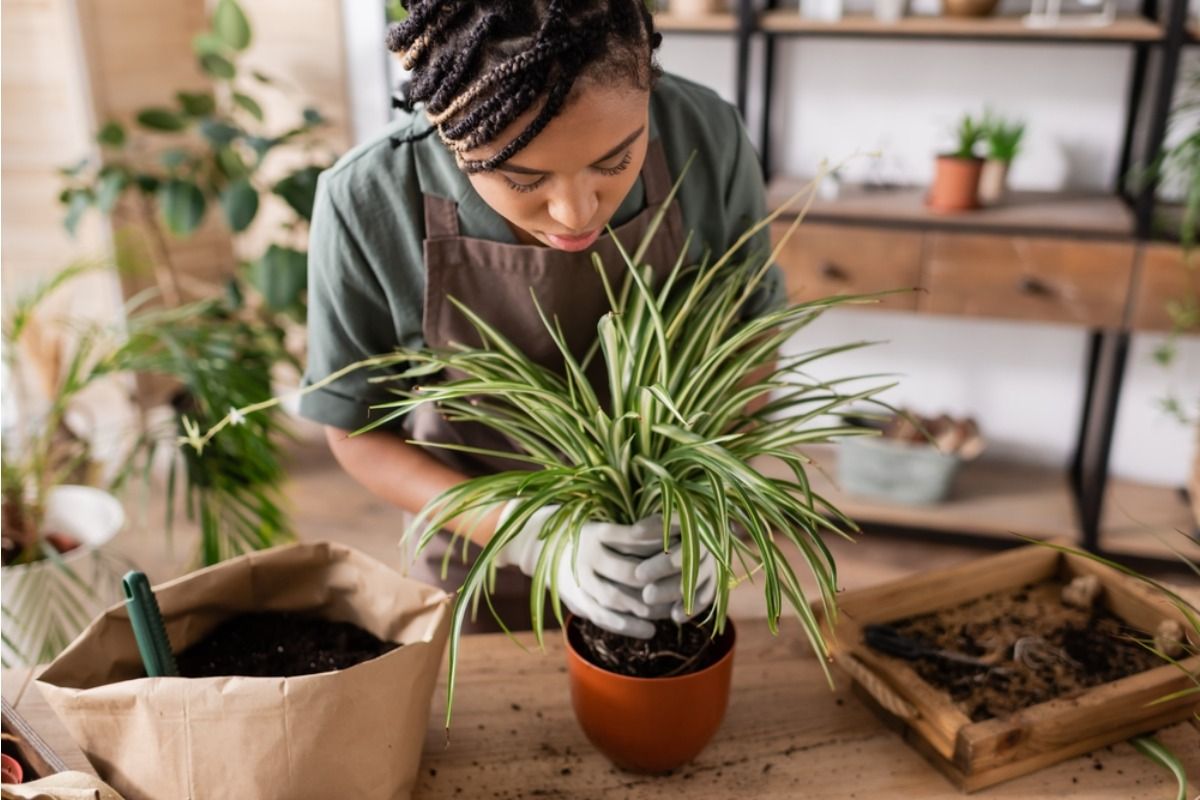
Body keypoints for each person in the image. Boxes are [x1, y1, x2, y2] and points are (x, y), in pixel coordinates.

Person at [299, 0, 785, 638]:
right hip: (482, 557)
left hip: (665, 546)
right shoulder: (368, 198)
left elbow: (753, 336)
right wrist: (532, 536)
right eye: (523, 178)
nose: (576, 211)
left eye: (614, 163)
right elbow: (355, 430)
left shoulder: (706, 134)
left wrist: (700, 508)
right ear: (448, 126)